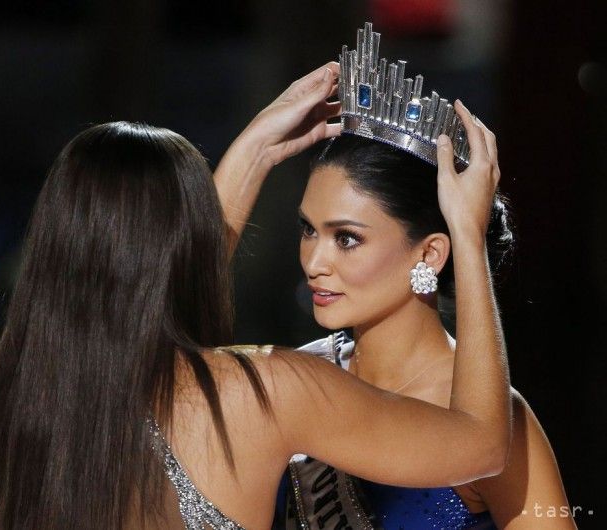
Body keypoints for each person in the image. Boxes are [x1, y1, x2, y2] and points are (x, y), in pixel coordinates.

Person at [0, 64, 510, 530]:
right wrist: (467, 235)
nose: (315, 261)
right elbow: (483, 446)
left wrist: (254, 150)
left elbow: (165, 294)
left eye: (345, 237)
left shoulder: (25, 401)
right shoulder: (265, 391)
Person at [216, 31, 573, 530]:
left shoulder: (493, 419)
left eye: (346, 238)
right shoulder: (298, 378)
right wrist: (253, 149)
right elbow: (156, 346)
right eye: (307, 230)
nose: (314, 261)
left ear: (430, 252)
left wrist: (468, 239)